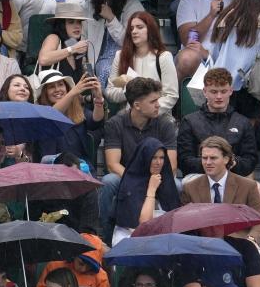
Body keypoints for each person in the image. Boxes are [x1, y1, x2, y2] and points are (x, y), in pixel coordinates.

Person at [99, 77, 177, 241]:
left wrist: (150, 182)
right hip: (125, 176)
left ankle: (175, 236)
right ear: (137, 105)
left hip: (158, 175)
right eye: (153, 101)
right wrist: (137, 180)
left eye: (158, 100)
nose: (158, 105)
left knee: (177, 184)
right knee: (108, 182)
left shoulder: (165, 123)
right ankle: (104, 240)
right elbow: (113, 164)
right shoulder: (115, 124)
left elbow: (171, 165)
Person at [181, 136, 260, 247]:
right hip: (203, 248)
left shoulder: (247, 186)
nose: (207, 162)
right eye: (204, 158)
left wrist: (251, 241)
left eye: (213, 158)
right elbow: (184, 224)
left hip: (238, 246)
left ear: (226, 159)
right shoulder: (190, 187)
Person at [177, 68, 258, 179]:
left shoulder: (243, 122)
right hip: (200, 177)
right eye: (214, 92)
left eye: (223, 91)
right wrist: (213, 163)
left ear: (231, 91)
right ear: (205, 92)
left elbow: (251, 159)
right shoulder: (189, 121)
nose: (219, 97)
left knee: (256, 188)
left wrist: (233, 163)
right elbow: (184, 160)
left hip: (233, 175)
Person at [174, 0, 236, 82]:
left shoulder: (236, 1)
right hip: (198, 57)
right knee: (186, 59)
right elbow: (187, 40)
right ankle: (179, 102)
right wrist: (211, 15)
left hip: (228, 57)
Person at [106, 11, 178, 117]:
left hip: (157, 118)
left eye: (139, 27)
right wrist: (129, 92)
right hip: (129, 118)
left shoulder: (163, 57)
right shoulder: (120, 56)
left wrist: (147, 110)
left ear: (150, 30)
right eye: (131, 28)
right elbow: (110, 92)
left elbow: (171, 95)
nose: (134, 31)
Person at [35, 69, 104, 173]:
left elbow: (96, 121)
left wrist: (98, 98)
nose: (57, 89)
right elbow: (52, 116)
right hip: (52, 169)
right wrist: (73, 92)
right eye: (51, 87)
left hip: (81, 166)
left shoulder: (77, 109)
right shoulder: (40, 113)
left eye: (61, 85)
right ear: (45, 93)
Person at [113, 137, 180, 245]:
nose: (158, 162)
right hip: (133, 239)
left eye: (162, 158)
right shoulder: (130, 184)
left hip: (163, 239)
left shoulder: (167, 182)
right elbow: (144, 225)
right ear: (144, 158)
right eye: (153, 158)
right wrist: (151, 189)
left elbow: (176, 221)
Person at [82, 0, 144, 87]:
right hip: (94, 60)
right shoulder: (90, 4)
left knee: (106, 70)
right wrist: (83, 58)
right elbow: (84, 35)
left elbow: (130, 42)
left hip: (123, 59)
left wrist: (111, 19)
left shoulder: (132, 5)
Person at [32, 233, 112, 287]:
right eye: (81, 263)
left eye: (89, 267)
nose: (84, 269)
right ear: (74, 255)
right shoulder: (55, 266)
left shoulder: (100, 275)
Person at [37, 2, 90, 84]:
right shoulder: (54, 38)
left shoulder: (76, 45)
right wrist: (73, 49)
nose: (77, 26)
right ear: (61, 24)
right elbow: (43, 59)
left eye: (79, 22)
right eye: (71, 22)